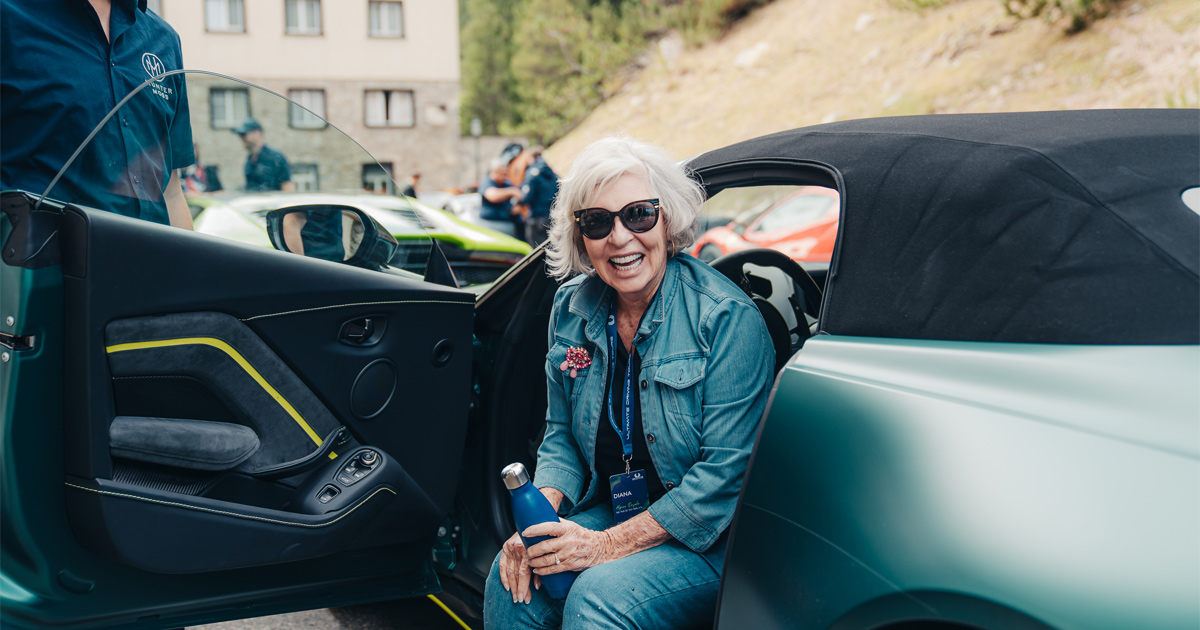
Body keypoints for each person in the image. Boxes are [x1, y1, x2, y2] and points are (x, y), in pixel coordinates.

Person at [484, 137, 776, 629]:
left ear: (668, 220)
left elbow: (726, 476)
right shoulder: (572, 308)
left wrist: (604, 546)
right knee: (513, 578)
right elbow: (560, 436)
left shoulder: (725, 318)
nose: (620, 238)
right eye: (597, 221)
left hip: (714, 536)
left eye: (638, 214)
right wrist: (542, 521)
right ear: (581, 237)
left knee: (599, 596)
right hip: (620, 510)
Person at [0, 0, 195, 229]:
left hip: (149, 259)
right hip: (35, 259)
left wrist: (188, 264)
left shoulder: (165, 40)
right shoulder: (8, 16)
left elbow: (171, 191)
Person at [233, 118, 294, 192]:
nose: (242, 138)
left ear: (257, 133)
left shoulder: (275, 157)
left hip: (273, 202)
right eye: (240, 135)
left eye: (244, 134)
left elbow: (287, 186)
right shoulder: (250, 159)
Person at [517, 146, 559, 246]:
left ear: (531, 158)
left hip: (537, 218)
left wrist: (519, 202)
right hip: (553, 217)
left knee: (536, 249)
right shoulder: (552, 172)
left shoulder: (532, 173)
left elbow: (526, 196)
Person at [479, 157, 523, 236]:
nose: (504, 177)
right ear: (493, 172)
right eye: (501, 174)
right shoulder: (487, 183)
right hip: (492, 223)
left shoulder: (507, 184)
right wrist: (512, 191)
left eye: (505, 174)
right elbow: (492, 196)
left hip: (509, 222)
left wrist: (516, 208)